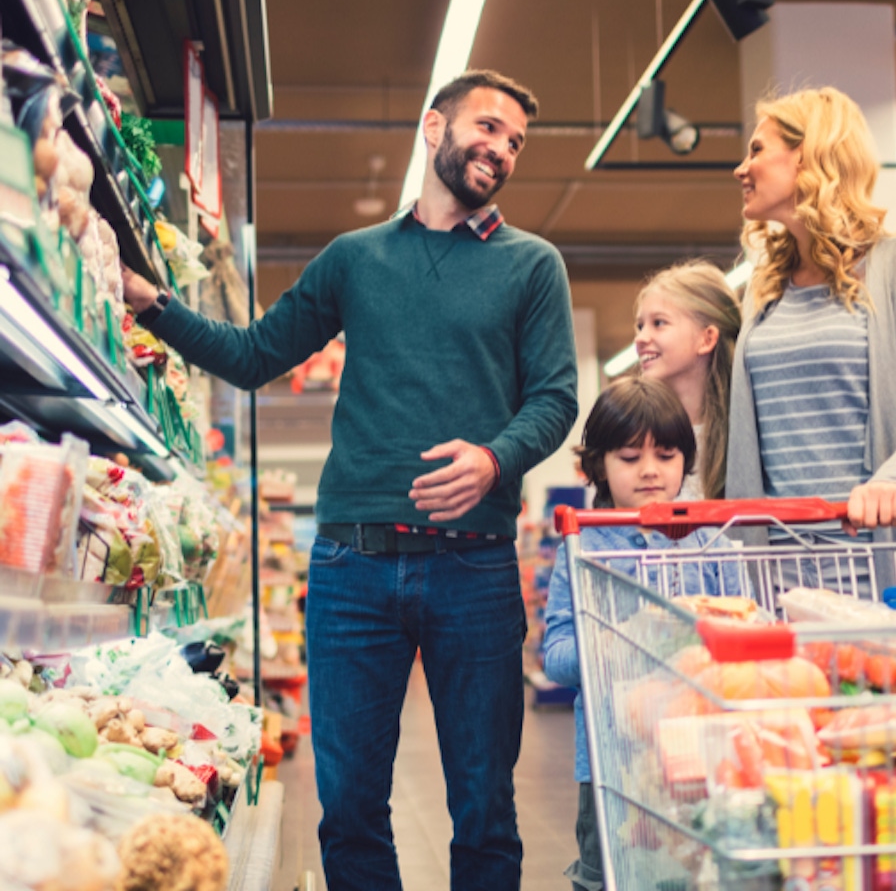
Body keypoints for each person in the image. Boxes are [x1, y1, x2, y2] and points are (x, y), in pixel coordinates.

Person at [122, 69, 579, 891]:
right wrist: (151, 302)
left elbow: (555, 398)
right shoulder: (355, 260)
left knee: (484, 809)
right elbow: (254, 355)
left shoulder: (532, 266)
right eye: (487, 127)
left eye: (515, 141)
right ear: (433, 126)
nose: (501, 149)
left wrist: (494, 459)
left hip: (474, 567)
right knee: (351, 808)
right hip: (350, 569)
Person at [727, 85, 896, 565]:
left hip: (881, 565)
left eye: (757, 149)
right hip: (779, 573)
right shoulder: (763, 288)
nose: (741, 169)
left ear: (808, 155)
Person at [541, 376, 747, 891]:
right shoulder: (583, 548)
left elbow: (746, 639)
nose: (651, 471)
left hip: (707, 760)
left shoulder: (714, 541)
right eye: (630, 458)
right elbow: (557, 656)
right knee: (610, 877)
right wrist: (616, 636)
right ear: (599, 466)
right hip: (614, 767)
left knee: (707, 877)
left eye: (667, 455)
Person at [633, 259, 741, 500]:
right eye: (640, 326)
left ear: (706, 339)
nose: (640, 338)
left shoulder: (742, 434)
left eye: (658, 323)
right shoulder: (635, 432)